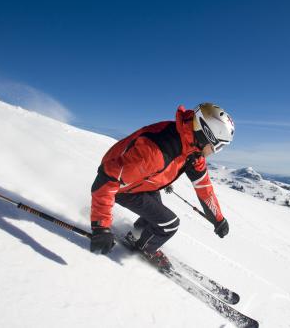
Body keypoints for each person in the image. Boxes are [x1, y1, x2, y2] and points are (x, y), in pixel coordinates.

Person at [89, 103, 234, 265]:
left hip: (140, 179)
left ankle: (137, 233)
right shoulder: (157, 151)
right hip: (122, 187)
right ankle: (144, 248)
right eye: (217, 146)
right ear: (206, 134)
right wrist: (101, 227)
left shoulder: (191, 149)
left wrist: (218, 219)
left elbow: (204, 188)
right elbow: (106, 178)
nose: (215, 152)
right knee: (169, 224)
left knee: (157, 212)